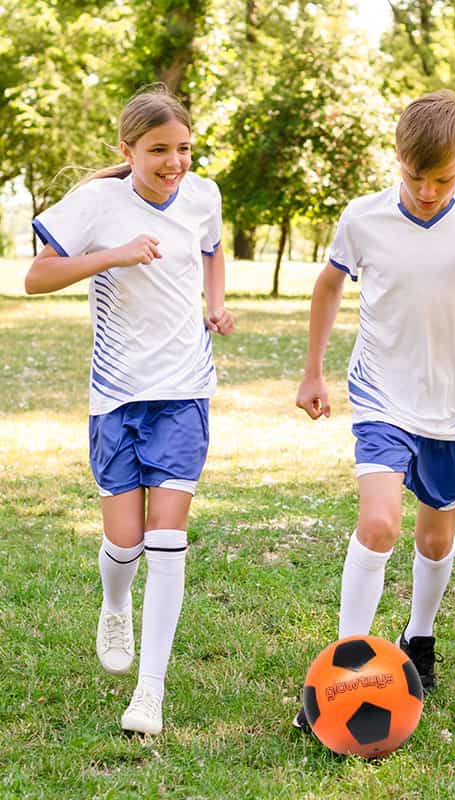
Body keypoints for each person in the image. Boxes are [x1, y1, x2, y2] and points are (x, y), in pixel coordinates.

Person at [293, 89, 455, 727]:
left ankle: (420, 638)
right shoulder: (363, 217)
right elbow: (327, 287)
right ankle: (341, 668)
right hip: (382, 394)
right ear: (397, 158)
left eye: (442, 179)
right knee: (379, 524)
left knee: (436, 537)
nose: (427, 191)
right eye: (414, 176)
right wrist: (313, 370)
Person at [25, 84, 234, 735]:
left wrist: (215, 301)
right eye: (158, 151)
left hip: (184, 392)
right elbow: (36, 277)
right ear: (128, 149)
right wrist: (112, 256)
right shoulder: (96, 202)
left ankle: (150, 692)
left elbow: (212, 247)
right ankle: (115, 603)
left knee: (167, 540)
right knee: (126, 542)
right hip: (116, 397)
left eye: (183, 149)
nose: (174, 162)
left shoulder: (203, 194)